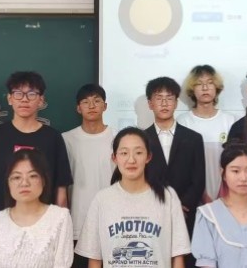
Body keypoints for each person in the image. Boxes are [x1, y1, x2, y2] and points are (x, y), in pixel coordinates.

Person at [0, 71, 73, 247]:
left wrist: (60, 239)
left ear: (41, 100)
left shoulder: (53, 138)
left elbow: (61, 193)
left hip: (43, 234)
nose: (24, 99)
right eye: (18, 93)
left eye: (31, 94)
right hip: (0, 232)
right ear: (10, 98)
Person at [75, 127, 191, 267]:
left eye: (138, 152)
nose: (131, 159)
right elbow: (94, 258)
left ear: (148, 157)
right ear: (114, 158)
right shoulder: (102, 200)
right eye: (124, 153)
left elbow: (177, 256)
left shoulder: (168, 196)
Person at [144, 77, 204, 267]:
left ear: (176, 102)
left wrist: (181, 206)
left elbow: (199, 179)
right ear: (150, 103)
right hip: (150, 215)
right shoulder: (140, 139)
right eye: (158, 98)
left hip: (186, 215)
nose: (164, 103)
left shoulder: (193, 138)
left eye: (169, 98)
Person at [0, 148, 73, 268]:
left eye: (33, 176)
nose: (24, 183)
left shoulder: (60, 218)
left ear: (44, 180)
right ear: (8, 183)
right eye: (17, 177)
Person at [62, 84, 115, 268]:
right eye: (85, 102)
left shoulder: (118, 137)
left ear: (105, 106)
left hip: (113, 221)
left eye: (97, 101)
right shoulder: (66, 140)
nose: (91, 106)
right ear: (78, 108)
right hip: (77, 223)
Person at [177, 65, 235, 202]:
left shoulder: (230, 121)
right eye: (199, 84)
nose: (205, 88)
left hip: (228, 194)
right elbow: (182, 165)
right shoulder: (183, 122)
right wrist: (201, 195)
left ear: (216, 87)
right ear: (192, 89)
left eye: (210, 83)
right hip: (193, 197)